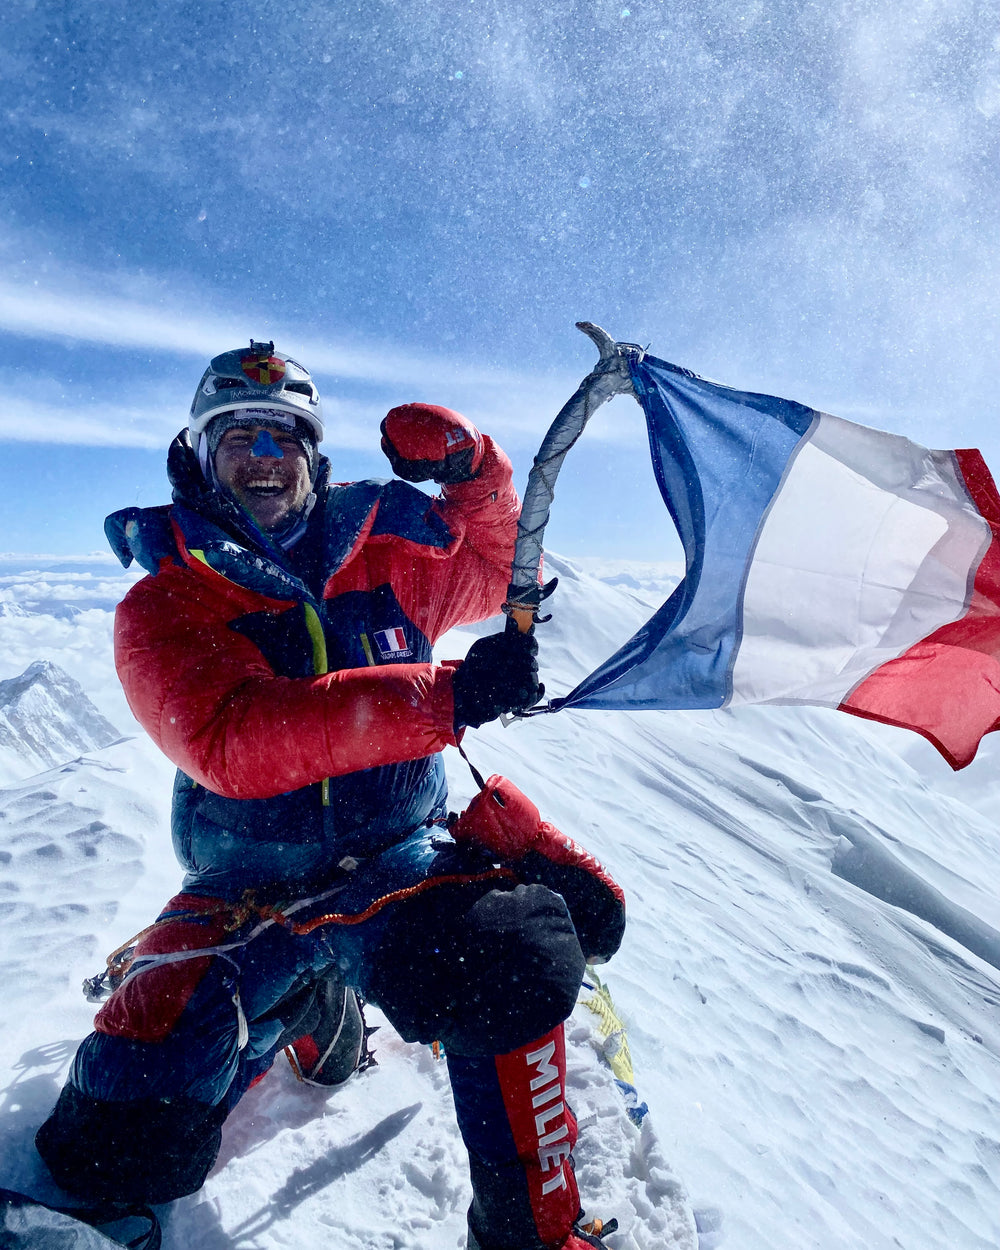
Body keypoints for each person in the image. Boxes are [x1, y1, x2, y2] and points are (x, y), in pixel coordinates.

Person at [35, 341, 625, 1250]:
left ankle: (535, 1235)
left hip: (400, 857)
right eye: (239, 436)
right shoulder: (165, 602)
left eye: (287, 436)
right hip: (250, 885)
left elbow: (507, 567)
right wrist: (446, 697)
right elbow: (232, 739)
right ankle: (309, 1008)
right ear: (198, 454)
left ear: (315, 458)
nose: (265, 455)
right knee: (117, 1139)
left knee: (508, 958)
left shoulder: (392, 557)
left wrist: (476, 474)